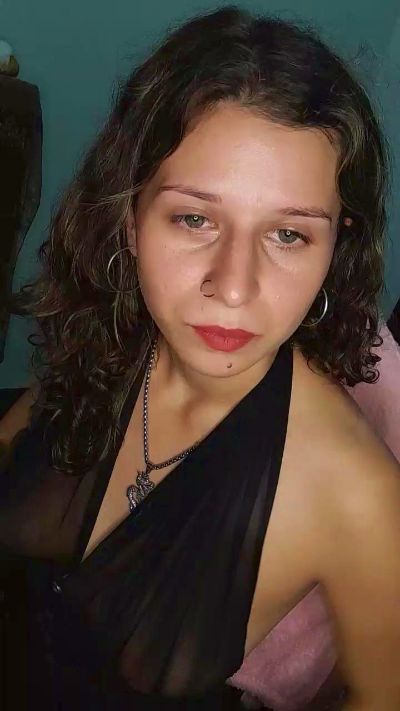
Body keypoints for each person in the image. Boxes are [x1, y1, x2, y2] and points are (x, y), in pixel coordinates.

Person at [1, 6, 400, 710]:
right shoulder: (110, 340)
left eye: (288, 234)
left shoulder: (357, 496)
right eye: (194, 218)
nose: (234, 287)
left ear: (337, 244)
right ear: (130, 216)